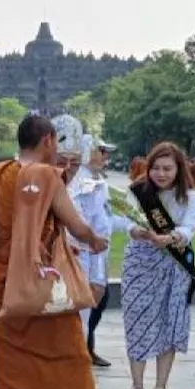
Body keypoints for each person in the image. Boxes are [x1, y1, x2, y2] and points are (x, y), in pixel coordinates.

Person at [0, 114, 107, 389]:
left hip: (2, 282)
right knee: (62, 356)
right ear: (48, 140)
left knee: (11, 362)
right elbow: (76, 225)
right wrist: (93, 240)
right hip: (40, 284)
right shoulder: (46, 175)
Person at [119, 142, 195, 389]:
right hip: (140, 262)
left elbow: (192, 225)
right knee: (137, 319)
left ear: (179, 169)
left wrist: (171, 237)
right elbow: (124, 220)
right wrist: (137, 231)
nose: (161, 173)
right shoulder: (138, 192)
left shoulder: (192, 197)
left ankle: (161, 388)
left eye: (167, 168)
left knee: (170, 320)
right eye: (156, 168)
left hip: (174, 264)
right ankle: (136, 386)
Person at [65, 127, 118, 368]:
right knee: (76, 320)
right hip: (79, 259)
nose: (105, 157)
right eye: (101, 151)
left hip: (93, 257)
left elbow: (105, 223)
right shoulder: (81, 183)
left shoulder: (97, 182)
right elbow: (87, 229)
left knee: (83, 320)